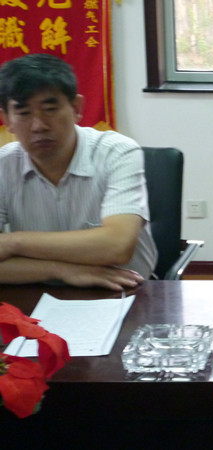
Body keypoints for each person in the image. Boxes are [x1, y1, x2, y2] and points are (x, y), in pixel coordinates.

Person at [0, 53, 156, 291]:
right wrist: (61, 270)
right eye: (23, 113)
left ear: (76, 108)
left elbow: (118, 246)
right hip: (36, 291)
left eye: (50, 109)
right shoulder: (4, 165)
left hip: (124, 291)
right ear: (7, 120)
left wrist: (12, 242)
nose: (39, 125)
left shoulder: (117, 152)